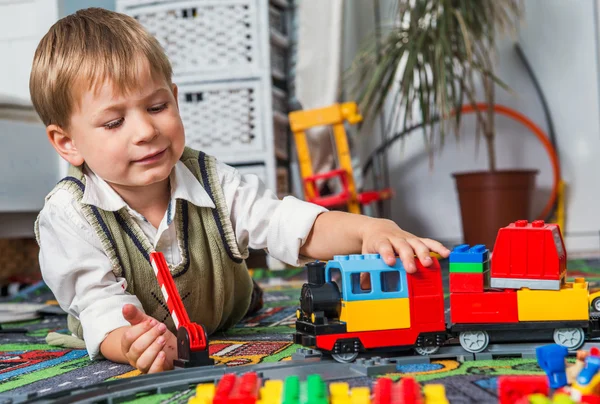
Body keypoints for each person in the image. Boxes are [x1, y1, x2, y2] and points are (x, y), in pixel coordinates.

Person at [31, 8, 451, 374]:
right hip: (136, 329)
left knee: (252, 289)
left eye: (157, 107)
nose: (146, 131)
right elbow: (98, 305)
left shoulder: (213, 178)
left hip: (228, 310)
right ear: (67, 142)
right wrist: (128, 343)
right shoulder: (69, 215)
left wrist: (367, 230)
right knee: (108, 326)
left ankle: (247, 297)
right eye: (113, 122)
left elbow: (291, 223)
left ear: (175, 100)